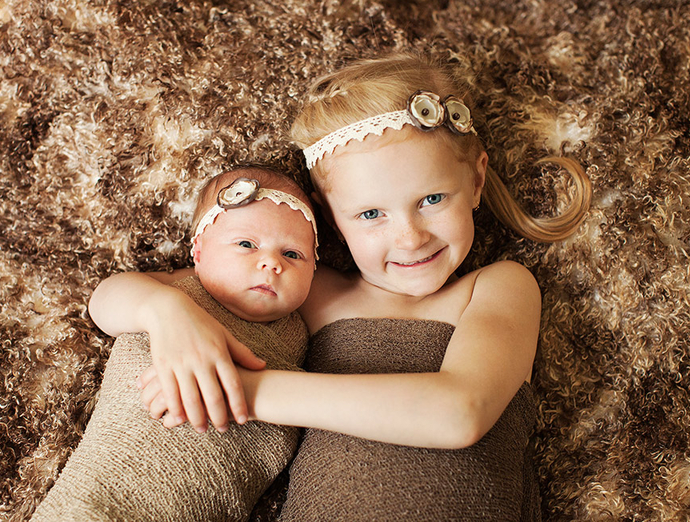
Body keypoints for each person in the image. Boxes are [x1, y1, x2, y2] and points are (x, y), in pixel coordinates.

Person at [89, 51, 592, 520]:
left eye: (433, 199)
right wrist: (167, 313)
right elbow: (108, 300)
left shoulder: (499, 287)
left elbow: (460, 412)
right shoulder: (307, 291)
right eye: (371, 214)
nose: (410, 237)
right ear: (329, 218)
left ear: (476, 181)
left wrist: (247, 391)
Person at [31, 166, 319, 522]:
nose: (271, 263)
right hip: (100, 496)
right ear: (198, 250)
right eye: (246, 244)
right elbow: (103, 300)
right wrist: (166, 309)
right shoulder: (179, 287)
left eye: (293, 254)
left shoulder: (304, 332)